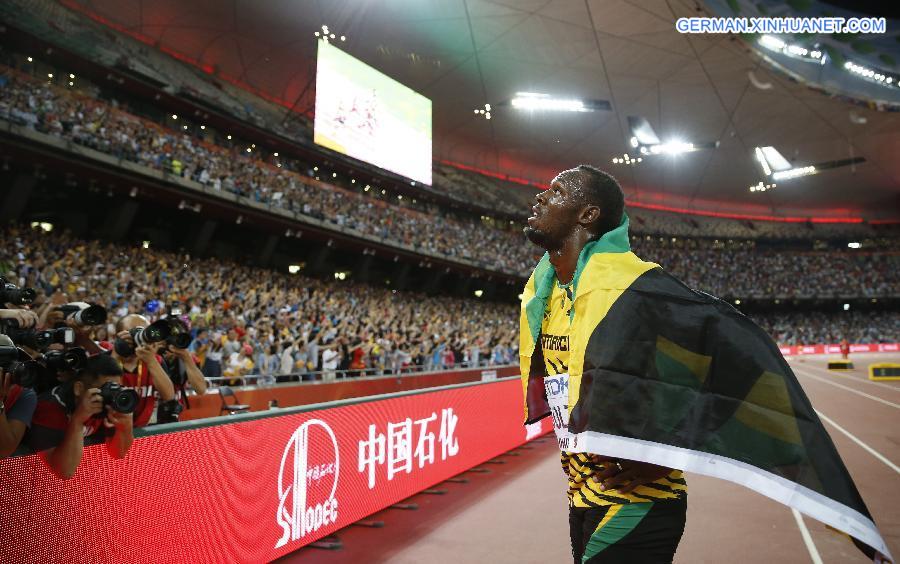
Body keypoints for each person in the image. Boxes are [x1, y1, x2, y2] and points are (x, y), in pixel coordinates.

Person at [522, 166, 686, 563]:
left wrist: (668, 456)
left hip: (638, 500)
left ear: (587, 215)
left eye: (556, 190)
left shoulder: (633, 290)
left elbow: (699, 374)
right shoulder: (549, 296)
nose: (541, 196)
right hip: (582, 492)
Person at [28, 354, 134, 479]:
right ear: (79, 389)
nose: (111, 395)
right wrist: (78, 420)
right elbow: (64, 472)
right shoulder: (50, 408)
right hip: (29, 478)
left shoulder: (109, 405)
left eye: (116, 388)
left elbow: (118, 454)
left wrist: (125, 427)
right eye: (105, 389)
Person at [110, 314, 176, 427]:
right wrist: (116, 355)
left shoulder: (156, 361)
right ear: (116, 336)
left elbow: (169, 396)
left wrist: (151, 360)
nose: (139, 337)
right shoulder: (106, 358)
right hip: (109, 430)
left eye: (143, 331)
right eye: (133, 331)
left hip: (142, 431)